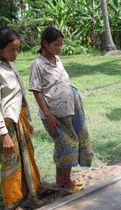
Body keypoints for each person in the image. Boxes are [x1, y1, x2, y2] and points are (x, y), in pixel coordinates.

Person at [0, 26, 50, 210]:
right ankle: (13, 204)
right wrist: (3, 134)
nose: (15, 53)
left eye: (17, 49)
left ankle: (34, 189)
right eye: (11, 50)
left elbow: (18, 95)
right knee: (11, 163)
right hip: (6, 124)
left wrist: (27, 120)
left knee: (27, 156)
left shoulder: (9, 64)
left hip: (19, 119)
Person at [29, 27, 94, 194]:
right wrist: (48, 115)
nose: (59, 48)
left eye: (61, 45)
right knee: (67, 145)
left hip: (69, 110)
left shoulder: (57, 60)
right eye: (56, 45)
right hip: (54, 115)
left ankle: (60, 181)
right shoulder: (37, 64)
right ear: (45, 44)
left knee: (71, 142)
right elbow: (36, 91)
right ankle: (67, 182)